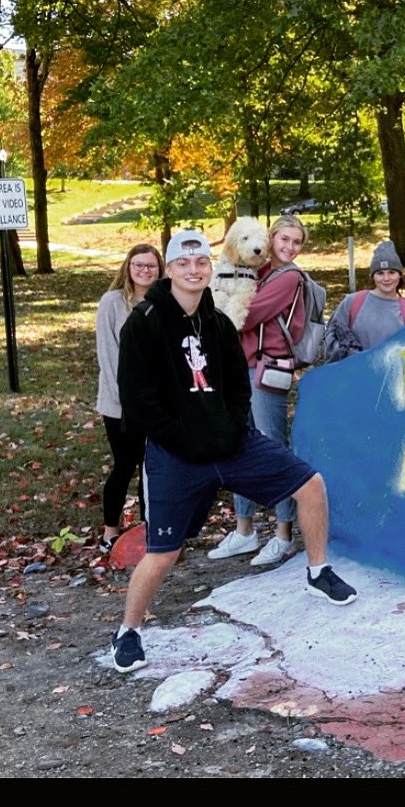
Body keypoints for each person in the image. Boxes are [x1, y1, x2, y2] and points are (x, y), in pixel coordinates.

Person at [112, 230, 356, 674]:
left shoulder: (219, 322)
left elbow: (239, 386)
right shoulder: (144, 323)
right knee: (164, 551)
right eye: (183, 263)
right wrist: (185, 440)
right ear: (169, 270)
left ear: (211, 267)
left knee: (311, 485)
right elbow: (138, 400)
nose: (193, 270)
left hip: (230, 444)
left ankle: (317, 571)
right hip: (177, 453)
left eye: (200, 262)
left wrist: (231, 429)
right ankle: (128, 630)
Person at [208, 214, 313, 566]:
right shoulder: (260, 269)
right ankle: (244, 530)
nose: (289, 247)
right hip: (242, 368)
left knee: (272, 449)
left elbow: (250, 314)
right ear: (270, 238)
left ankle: (283, 535)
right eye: (284, 240)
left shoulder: (289, 277)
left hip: (267, 371)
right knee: (239, 445)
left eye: (296, 242)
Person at [95, 243, 164, 550]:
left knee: (152, 468)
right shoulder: (112, 302)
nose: (144, 270)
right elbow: (107, 355)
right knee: (124, 465)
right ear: (128, 267)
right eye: (139, 265)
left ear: (159, 269)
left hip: (156, 403)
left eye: (151, 265)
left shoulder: (164, 302)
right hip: (119, 404)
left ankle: (152, 529)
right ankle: (110, 531)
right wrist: (125, 401)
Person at [324, 240, 405, 363]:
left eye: (392, 272)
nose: (386, 278)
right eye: (380, 273)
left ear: (400, 275)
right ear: (372, 276)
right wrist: (348, 354)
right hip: (353, 372)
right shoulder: (353, 302)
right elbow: (330, 337)